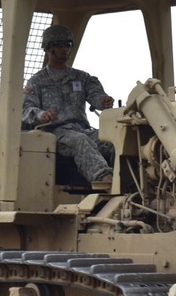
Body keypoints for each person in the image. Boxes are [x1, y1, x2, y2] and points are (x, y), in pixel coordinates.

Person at [22, 25, 115, 188]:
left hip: (82, 129)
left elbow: (95, 95)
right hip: (56, 134)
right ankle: (105, 179)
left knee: (114, 139)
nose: (65, 49)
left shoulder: (81, 77)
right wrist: (42, 115)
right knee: (80, 141)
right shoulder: (37, 82)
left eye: (68, 45)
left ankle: (128, 179)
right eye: (60, 45)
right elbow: (27, 110)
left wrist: (103, 101)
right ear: (49, 48)